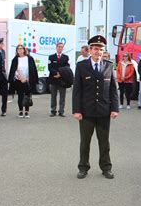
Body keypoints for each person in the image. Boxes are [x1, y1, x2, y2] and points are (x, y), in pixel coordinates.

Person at [72, 35, 119, 179]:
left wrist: (115, 108)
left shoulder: (109, 65)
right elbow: (77, 90)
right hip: (86, 112)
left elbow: (113, 89)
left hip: (104, 112)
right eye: (96, 49)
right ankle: (83, 167)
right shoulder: (81, 66)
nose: (98, 52)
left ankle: (106, 167)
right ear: (90, 50)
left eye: (101, 49)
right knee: (85, 142)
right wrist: (76, 110)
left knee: (104, 142)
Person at [8, 44, 39, 118]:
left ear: (24, 50)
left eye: (21, 48)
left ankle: (27, 112)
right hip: (19, 80)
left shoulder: (29, 58)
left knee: (27, 96)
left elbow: (33, 70)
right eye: (18, 49)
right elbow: (13, 70)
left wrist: (28, 78)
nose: (19, 50)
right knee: (20, 96)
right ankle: (21, 111)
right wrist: (20, 77)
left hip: (27, 80)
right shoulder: (15, 59)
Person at [48, 42, 70, 117]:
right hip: (53, 79)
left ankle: (61, 111)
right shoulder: (51, 57)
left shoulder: (66, 57)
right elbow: (50, 68)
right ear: (56, 47)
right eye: (59, 47)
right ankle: (53, 111)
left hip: (62, 80)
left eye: (61, 47)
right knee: (53, 96)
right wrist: (56, 73)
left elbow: (67, 68)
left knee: (62, 97)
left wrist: (60, 74)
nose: (60, 48)